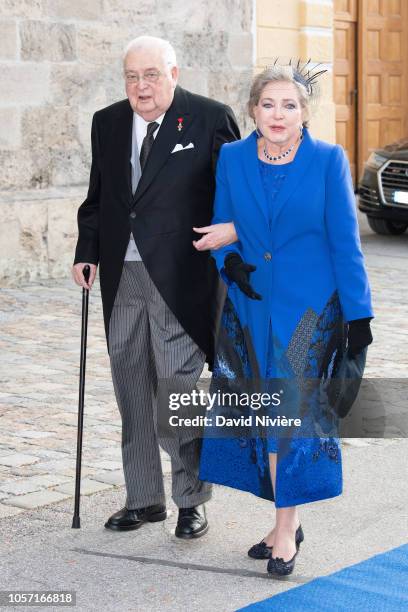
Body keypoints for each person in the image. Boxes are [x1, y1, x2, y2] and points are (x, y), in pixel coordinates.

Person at [198, 63, 374, 575]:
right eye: (268, 104)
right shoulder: (232, 157)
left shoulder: (327, 160)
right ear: (253, 109)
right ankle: (284, 524)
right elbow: (222, 224)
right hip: (250, 308)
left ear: (304, 113)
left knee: (287, 420)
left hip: (310, 311)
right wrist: (227, 262)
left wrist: (358, 315)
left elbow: (346, 241)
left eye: (289, 105)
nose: (278, 114)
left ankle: (285, 539)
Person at [72, 35, 239, 538]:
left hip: (181, 276)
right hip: (121, 275)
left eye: (150, 75)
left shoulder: (210, 118)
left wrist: (234, 242)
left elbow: (233, 191)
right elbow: (99, 195)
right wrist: (86, 249)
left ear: (173, 72)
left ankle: (190, 499)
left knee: (177, 392)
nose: (140, 87)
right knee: (131, 388)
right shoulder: (108, 121)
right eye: (131, 77)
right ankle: (144, 498)